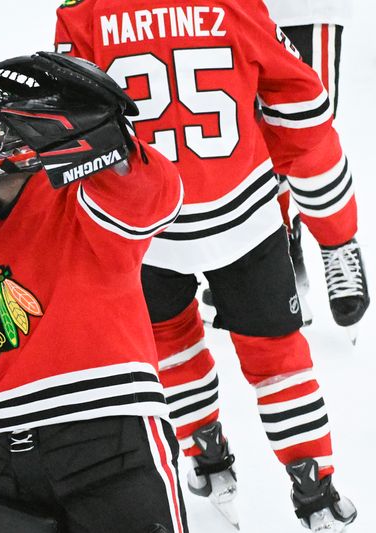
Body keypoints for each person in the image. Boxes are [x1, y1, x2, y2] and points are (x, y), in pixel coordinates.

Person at [54, 0, 358, 531]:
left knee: (169, 340)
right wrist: (334, 225)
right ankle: (314, 482)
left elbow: (67, 128)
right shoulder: (232, 4)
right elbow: (302, 107)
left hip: (147, 223)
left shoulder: (85, 12)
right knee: (277, 354)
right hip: (243, 213)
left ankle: (205, 450)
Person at [0, 52, 188, 533]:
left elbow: (155, 196)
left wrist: (107, 137)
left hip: (104, 434)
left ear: (27, 138)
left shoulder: (85, 197)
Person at [265, 0, 365, 337]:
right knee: (247, 137)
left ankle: (337, 242)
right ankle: (278, 248)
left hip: (299, 9)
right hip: (218, 12)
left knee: (308, 136)